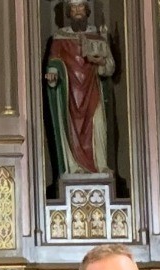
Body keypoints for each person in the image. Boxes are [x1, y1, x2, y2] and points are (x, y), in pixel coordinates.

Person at [42, 0, 117, 181]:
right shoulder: (60, 38)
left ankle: (100, 164)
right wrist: (52, 73)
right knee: (71, 128)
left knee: (98, 124)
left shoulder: (97, 36)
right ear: (69, 12)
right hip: (70, 92)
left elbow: (110, 67)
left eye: (81, 7)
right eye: (73, 8)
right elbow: (53, 61)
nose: (77, 11)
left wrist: (101, 62)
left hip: (92, 88)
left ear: (87, 10)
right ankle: (74, 167)